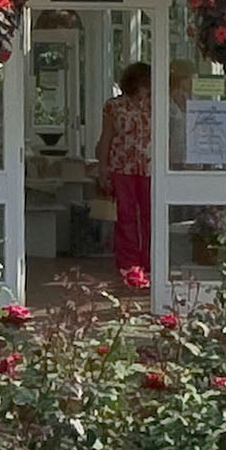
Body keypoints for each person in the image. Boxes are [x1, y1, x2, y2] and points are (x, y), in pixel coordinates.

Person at [94, 59, 155, 288]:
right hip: (122, 167)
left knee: (151, 215)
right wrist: (102, 169)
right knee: (126, 216)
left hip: (150, 167)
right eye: (142, 82)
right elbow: (106, 138)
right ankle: (129, 264)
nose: (145, 87)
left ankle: (150, 260)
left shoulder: (156, 104)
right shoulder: (114, 106)